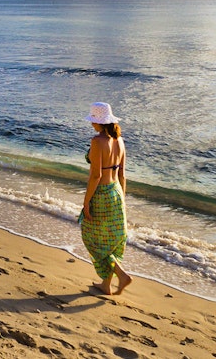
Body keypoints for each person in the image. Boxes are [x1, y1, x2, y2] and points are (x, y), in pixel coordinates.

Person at [81, 101, 132, 295]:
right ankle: (106, 284)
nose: (91, 124)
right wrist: (123, 200)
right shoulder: (120, 141)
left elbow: (96, 176)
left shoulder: (97, 142)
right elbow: (122, 175)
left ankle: (121, 274)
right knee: (110, 239)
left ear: (99, 122)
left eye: (93, 120)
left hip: (101, 194)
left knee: (91, 236)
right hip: (117, 192)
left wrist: (86, 202)